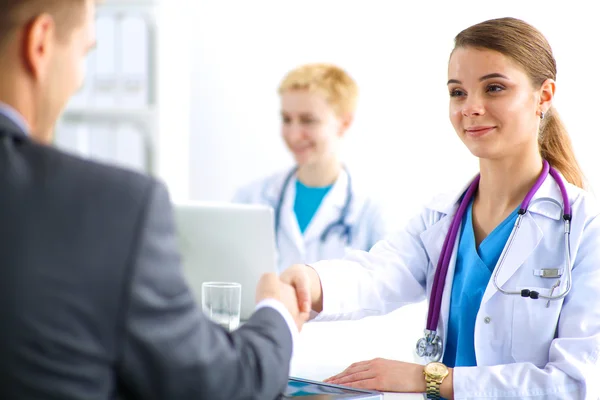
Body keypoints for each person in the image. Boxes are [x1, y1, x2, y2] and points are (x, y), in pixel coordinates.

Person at [0, 0, 309, 399]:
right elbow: (225, 386)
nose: (79, 79)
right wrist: (277, 312)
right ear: (40, 43)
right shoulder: (110, 207)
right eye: (84, 52)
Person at [279, 17, 600, 399]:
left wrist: (430, 379)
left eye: (494, 88)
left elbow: (574, 384)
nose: (471, 108)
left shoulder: (584, 227)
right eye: (458, 92)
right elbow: (377, 273)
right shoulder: (443, 217)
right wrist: (307, 282)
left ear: (544, 96)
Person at [234, 63, 389, 272]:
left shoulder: (370, 212)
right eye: (286, 119)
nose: (294, 134)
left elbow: (388, 295)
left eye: (308, 121)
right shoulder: (251, 199)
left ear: (344, 123)